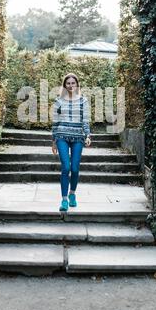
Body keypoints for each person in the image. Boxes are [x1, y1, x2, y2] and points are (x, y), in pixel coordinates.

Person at [51, 73, 91, 212]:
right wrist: (54, 141)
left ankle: (72, 194)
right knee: (65, 168)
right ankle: (64, 200)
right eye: (68, 83)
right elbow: (55, 122)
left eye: (73, 83)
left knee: (74, 168)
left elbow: (85, 120)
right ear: (64, 85)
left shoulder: (83, 101)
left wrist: (87, 135)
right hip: (62, 136)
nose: (71, 85)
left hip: (78, 138)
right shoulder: (58, 101)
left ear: (77, 84)